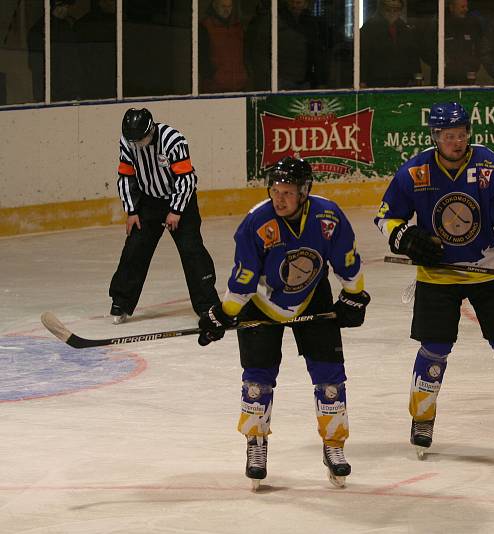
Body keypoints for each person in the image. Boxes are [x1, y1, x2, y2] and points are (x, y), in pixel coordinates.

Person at [374, 102, 494, 459]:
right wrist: (405, 237)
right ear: (435, 136)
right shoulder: (415, 171)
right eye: (448, 136)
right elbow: (386, 217)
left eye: (461, 134)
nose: (456, 141)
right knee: (433, 352)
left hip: (490, 271)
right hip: (438, 276)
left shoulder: (490, 167)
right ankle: (422, 419)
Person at [197, 157, 370, 489]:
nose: (280, 198)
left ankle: (333, 445)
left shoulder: (327, 217)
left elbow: (347, 261)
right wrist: (222, 314)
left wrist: (354, 295)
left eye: (288, 192)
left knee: (330, 377)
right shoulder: (256, 224)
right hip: (260, 303)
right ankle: (256, 443)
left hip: (312, 295)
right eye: (275, 191)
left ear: (304, 192)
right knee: (257, 381)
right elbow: (243, 282)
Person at [110, 108, 220, 325]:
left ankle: (207, 304)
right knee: (135, 247)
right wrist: (131, 211)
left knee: (191, 249)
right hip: (148, 202)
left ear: (150, 131)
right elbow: (125, 176)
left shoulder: (173, 140)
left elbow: (186, 179)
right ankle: (121, 300)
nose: (137, 145)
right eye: (133, 141)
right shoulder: (128, 142)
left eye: (140, 140)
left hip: (181, 200)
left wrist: (176, 210)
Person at [360, 0, 424, 87]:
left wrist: (417, 77)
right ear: (381, 9)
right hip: (376, 82)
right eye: (388, 8)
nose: (392, 12)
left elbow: (412, 55)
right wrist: (362, 80)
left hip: (402, 82)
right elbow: (363, 57)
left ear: (400, 11)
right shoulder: (368, 29)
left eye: (396, 9)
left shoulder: (405, 29)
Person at [27, 0, 82, 102]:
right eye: (61, 6)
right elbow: (37, 67)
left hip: (66, 90)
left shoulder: (68, 26)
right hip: (52, 91)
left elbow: (74, 60)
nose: (65, 10)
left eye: (66, 6)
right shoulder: (40, 31)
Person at [199, 0, 249, 93]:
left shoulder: (238, 27)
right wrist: (213, 75)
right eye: (223, 7)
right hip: (215, 89)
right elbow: (202, 59)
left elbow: (245, 54)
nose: (227, 10)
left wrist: (246, 74)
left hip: (239, 86)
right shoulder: (205, 27)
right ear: (215, 6)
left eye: (229, 7)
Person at [277, 0, 327, 89]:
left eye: (299, 2)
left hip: (305, 78)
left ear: (306, 4)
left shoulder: (312, 24)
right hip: (283, 78)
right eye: (292, 2)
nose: (295, 5)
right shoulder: (277, 20)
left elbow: (317, 53)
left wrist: (321, 81)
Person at [74, 0, 117, 100]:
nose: (113, 3)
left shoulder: (82, 24)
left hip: (92, 83)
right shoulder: (116, 23)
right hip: (101, 81)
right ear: (100, 2)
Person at [444, 0, 482, 85]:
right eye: (462, 7)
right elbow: (430, 49)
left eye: (466, 6)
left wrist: (474, 66)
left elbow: (479, 49)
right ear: (451, 8)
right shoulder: (441, 25)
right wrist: (443, 67)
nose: (466, 9)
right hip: (444, 80)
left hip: (467, 78)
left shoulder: (472, 25)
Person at [245, 0, 271, 91]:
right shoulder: (255, 21)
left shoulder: (276, 19)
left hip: (269, 70)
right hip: (260, 70)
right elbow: (249, 47)